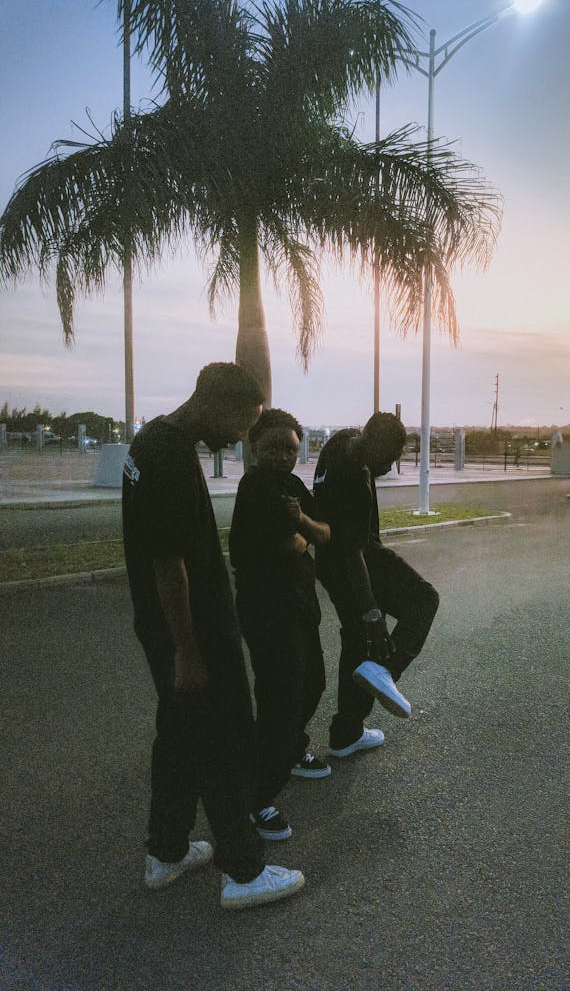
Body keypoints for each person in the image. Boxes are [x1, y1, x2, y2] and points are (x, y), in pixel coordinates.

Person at [122, 362, 304, 910]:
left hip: (165, 626)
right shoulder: (172, 457)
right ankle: (244, 873)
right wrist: (188, 651)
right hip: (193, 633)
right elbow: (167, 562)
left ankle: (167, 851)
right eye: (242, 423)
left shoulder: (150, 440)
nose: (242, 436)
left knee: (179, 736)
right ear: (215, 404)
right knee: (227, 741)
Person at [229, 409, 331, 842]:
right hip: (268, 612)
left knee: (313, 685)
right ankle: (255, 799)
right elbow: (292, 544)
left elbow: (322, 533)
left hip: (299, 606)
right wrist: (302, 531)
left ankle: (287, 750)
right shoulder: (255, 486)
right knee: (279, 702)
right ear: (255, 448)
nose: (282, 456)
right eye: (273, 447)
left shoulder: (292, 486)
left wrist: (302, 523)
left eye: (290, 448)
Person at [313, 412, 440, 757]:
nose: (390, 466)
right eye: (389, 458)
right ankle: (386, 669)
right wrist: (372, 612)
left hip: (327, 561)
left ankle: (346, 734)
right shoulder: (354, 478)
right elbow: (355, 554)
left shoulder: (340, 441)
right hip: (355, 559)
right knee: (424, 600)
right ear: (375, 444)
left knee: (357, 642)